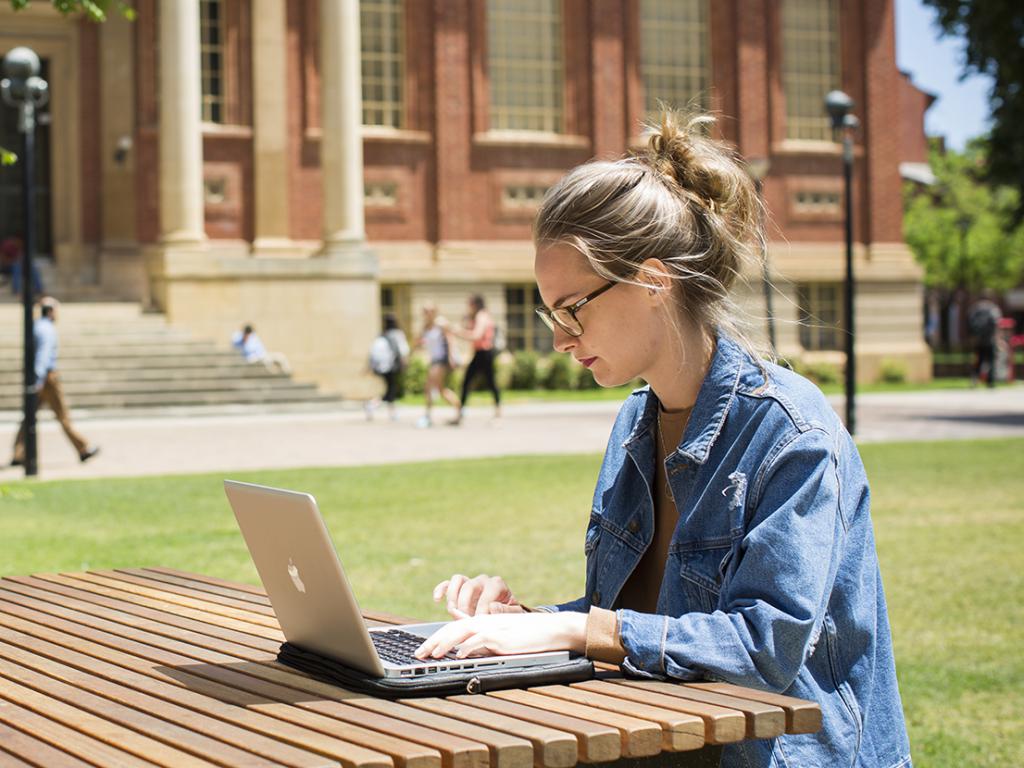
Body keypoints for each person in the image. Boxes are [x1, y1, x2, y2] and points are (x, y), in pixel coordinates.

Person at [413, 112, 912, 767]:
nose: (559, 338)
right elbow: (639, 617)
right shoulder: (635, 424)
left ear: (652, 282)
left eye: (572, 310)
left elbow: (764, 648)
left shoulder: (791, 432)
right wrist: (524, 621)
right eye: (548, 313)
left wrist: (575, 628)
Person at [11, 297, 100, 466]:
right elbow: (43, 356)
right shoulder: (46, 329)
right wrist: (39, 379)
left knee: (29, 416)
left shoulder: (37, 326)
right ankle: (83, 448)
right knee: (62, 415)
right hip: (47, 378)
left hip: (40, 377)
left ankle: (18, 452)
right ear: (51, 311)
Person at [447, 294, 501, 425]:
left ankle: (497, 414)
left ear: (475, 304)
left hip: (485, 353)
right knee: (468, 382)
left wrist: (457, 332)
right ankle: (461, 414)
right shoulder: (477, 316)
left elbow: (476, 335)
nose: (468, 307)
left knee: (489, 383)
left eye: (469, 304)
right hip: (479, 353)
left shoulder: (481, 316)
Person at [415, 303, 460, 428]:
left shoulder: (440, 324)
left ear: (434, 312)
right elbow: (419, 341)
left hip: (441, 359)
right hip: (434, 359)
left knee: (428, 387)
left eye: (429, 311)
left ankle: (427, 416)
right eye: (425, 311)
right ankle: (458, 408)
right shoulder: (425, 327)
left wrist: (451, 358)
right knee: (440, 390)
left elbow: (450, 340)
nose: (427, 314)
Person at [365, 313, 410, 421]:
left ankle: (391, 412)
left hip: (382, 367)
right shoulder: (397, 334)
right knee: (391, 390)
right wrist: (405, 363)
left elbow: (373, 352)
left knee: (390, 389)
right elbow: (403, 350)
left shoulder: (382, 335)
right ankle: (373, 405)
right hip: (392, 366)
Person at [967, 295, 1001, 388]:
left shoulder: (975, 308)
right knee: (991, 361)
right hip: (990, 339)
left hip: (978, 340)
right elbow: (996, 324)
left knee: (978, 360)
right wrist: (998, 339)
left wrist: (972, 337)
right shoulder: (993, 309)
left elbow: (970, 324)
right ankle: (990, 381)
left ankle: (974, 379)